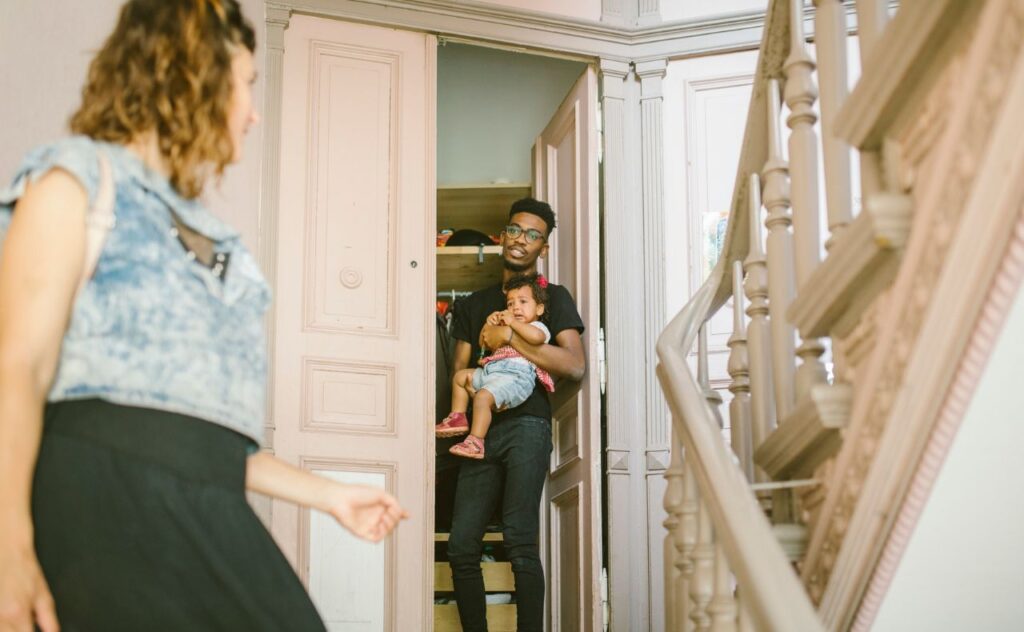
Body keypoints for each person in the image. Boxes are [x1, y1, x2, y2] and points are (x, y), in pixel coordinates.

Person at [0, 2, 406, 630]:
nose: (253, 111)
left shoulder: (222, 243)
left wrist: (330, 497)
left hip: (205, 498)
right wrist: (9, 548)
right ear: (192, 72)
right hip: (96, 497)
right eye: (245, 84)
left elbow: (202, 436)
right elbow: (17, 369)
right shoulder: (75, 182)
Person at [443, 198, 585, 632]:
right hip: (479, 433)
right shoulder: (474, 303)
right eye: (515, 230)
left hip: (527, 426)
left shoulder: (553, 298)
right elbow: (460, 372)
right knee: (462, 546)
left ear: (544, 245)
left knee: (521, 542)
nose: (521, 240)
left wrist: (509, 337)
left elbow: (574, 365)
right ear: (503, 236)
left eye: (533, 234)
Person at [435, 273, 555, 459]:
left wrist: (512, 323)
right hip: (493, 373)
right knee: (460, 377)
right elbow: (485, 344)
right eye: (510, 304)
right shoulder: (506, 325)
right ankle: (457, 417)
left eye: (523, 302)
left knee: (482, 398)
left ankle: (475, 442)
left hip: (516, 377)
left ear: (539, 309)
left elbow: (537, 339)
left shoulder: (538, 327)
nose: (515, 308)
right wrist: (488, 325)